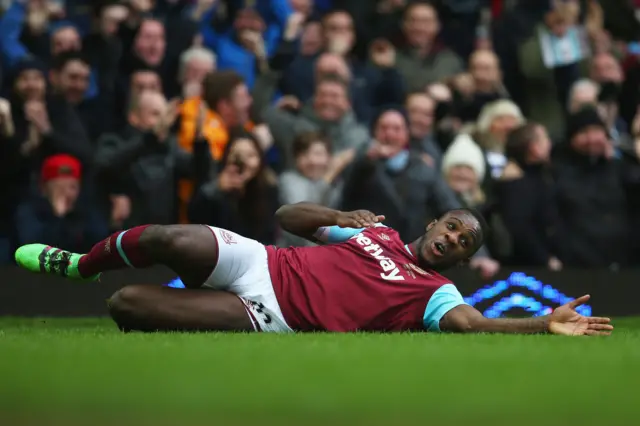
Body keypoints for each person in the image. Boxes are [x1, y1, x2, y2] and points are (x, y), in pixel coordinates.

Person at [14, 203, 612, 336]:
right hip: (265, 259)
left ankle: (107, 286)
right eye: (451, 226)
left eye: (463, 241)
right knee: (170, 236)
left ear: (458, 257)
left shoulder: (435, 290)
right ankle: (82, 266)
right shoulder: (372, 230)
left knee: (127, 308)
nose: (452, 239)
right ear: (432, 224)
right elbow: (288, 215)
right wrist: (338, 214)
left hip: (271, 312)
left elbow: (472, 326)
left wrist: (541, 324)